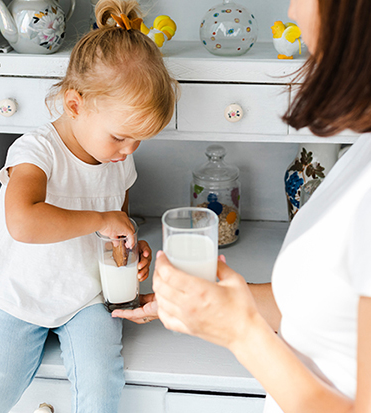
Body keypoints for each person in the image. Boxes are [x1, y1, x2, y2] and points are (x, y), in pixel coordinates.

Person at [116, 0, 371, 411]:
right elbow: (321, 302)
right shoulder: (363, 152)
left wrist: (239, 332)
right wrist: (209, 302)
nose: (291, 12)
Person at [0, 0, 177, 411]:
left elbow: (114, 226)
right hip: (19, 295)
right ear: (75, 104)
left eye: (138, 141)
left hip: (86, 299)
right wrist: (100, 219)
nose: (128, 150)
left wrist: (129, 251)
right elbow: (23, 222)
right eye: (120, 136)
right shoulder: (36, 152)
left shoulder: (119, 159)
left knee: (102, 386)